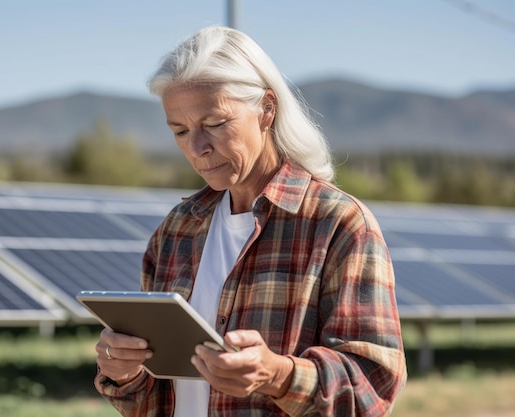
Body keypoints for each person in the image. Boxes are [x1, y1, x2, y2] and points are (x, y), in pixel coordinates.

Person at [93, 25, 406, 416]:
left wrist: (277, 375)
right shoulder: (177, 231)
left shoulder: (338, 224)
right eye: (180, 130)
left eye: (214, 124)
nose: (197, 148)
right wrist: (124, 373)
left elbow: (373, 387)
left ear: (267, 110)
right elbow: (159, 401)